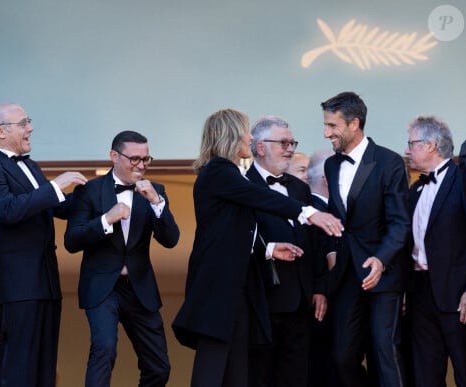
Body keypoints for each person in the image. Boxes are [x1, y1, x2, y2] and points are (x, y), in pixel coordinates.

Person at [172, 108, 343, 387]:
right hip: (219, 292)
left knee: (236, 374)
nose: (250, 137)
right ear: (230, 136)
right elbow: (261, 198)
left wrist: (269, 249)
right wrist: (309, 213)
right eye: (246, 131)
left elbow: (234, 231)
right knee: (213, 373)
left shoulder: (226, 174)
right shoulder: (219, 170)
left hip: (233, 292)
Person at [0, 103, 87, 386]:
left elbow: (55, 207)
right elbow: (8, 210)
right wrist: (56, 186)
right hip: (18, 284)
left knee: (44, 367)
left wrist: (102, 192)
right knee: (18, 365)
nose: (30, 128)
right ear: (0, 131)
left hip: (45, 281)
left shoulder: (29, 165)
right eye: (23, 123)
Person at [64, 130, 180, 387]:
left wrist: (156, 202)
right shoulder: (90, 191)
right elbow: (71, 241)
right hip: (102, 287)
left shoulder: (155, 191)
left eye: (146, 159)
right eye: (134, 159)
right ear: (114, 156)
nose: (141, 165)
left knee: (159, 366)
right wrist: (106, 219)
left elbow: (171, 240)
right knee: (105, 349)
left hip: (140, 287)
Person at [321, 92, 410, 387]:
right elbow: (336, 216)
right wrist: (332, 251)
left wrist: (382, 259)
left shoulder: (389, 162)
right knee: (342, 357)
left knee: (385, 353)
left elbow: (399, 222)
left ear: (354, 123)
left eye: (333, 126)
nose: (326, 133)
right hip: (346, 275)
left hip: (383, 274)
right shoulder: (332, 165)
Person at [246, 116, 327, 387]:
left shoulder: (300, 189)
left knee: (297, 377)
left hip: (301, 303)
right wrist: (268, 251)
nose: (290, 148)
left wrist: (319, 288)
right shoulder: (242, 187)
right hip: (261, 302)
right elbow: (236, 243)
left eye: (292, 142)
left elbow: (313, 243)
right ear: (259, 148)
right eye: (283, 143)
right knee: (260, 377)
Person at [404, 116, 466, 387]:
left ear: (431, 145)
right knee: (426, 374)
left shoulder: (463, 181)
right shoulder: (417, 188)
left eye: (412, 144)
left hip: (457, 296)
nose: (407, 150)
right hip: (421, 293)